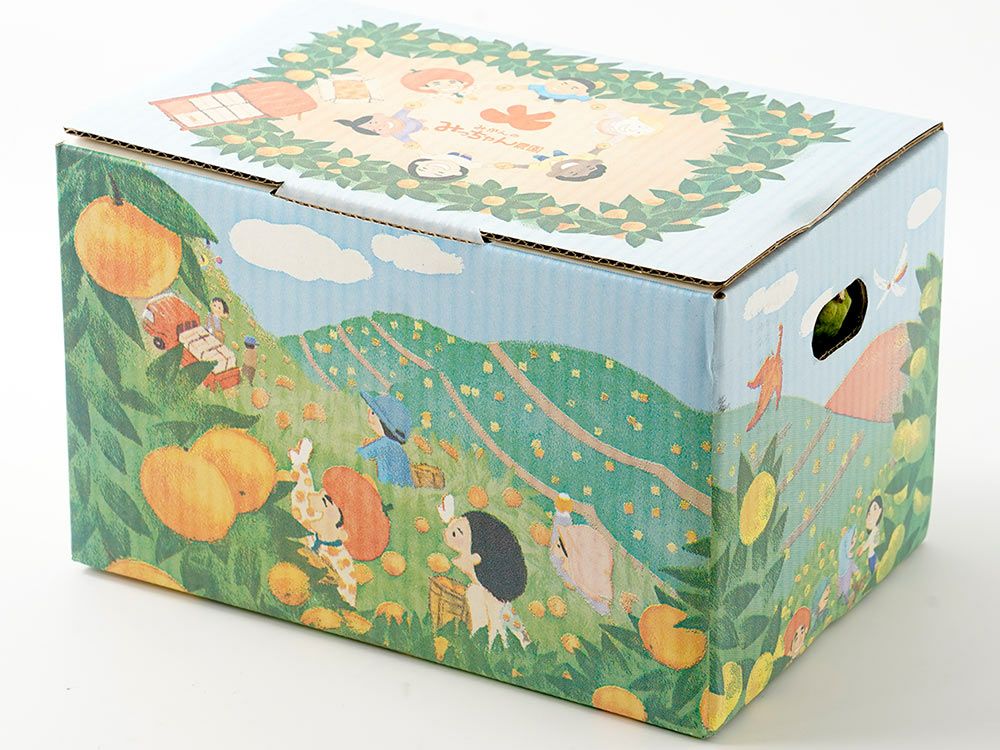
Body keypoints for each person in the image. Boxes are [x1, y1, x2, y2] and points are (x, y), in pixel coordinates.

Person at [356, 391, 414, 487]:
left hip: (386, 489)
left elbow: (359, 455)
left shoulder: (383, 444)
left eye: (373, 413)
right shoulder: (398, 448)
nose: (369, 416)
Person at [336, 109, 423, 143]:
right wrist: (412, 144)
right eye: (375, 130)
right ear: (384, 135)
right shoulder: (398, 134)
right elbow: (408, 141)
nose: (379, 126)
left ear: (379, 115)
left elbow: (408, 108)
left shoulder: (399, 116)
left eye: (375, 122)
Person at [400, 68, 474, 98]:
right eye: (436, 84)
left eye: (452, 81)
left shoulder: (467, 89)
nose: (448, 85)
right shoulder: (436, 95)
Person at [857, 496, 884, 573]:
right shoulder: (876, 530)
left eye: (875, 509)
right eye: (869, 513)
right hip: (872, 555)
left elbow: (869, 542)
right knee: (873, 569)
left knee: (873, 569)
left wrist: (862, 549)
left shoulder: (875, 530)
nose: (871, 514)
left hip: (872, 555)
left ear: (880, 511)